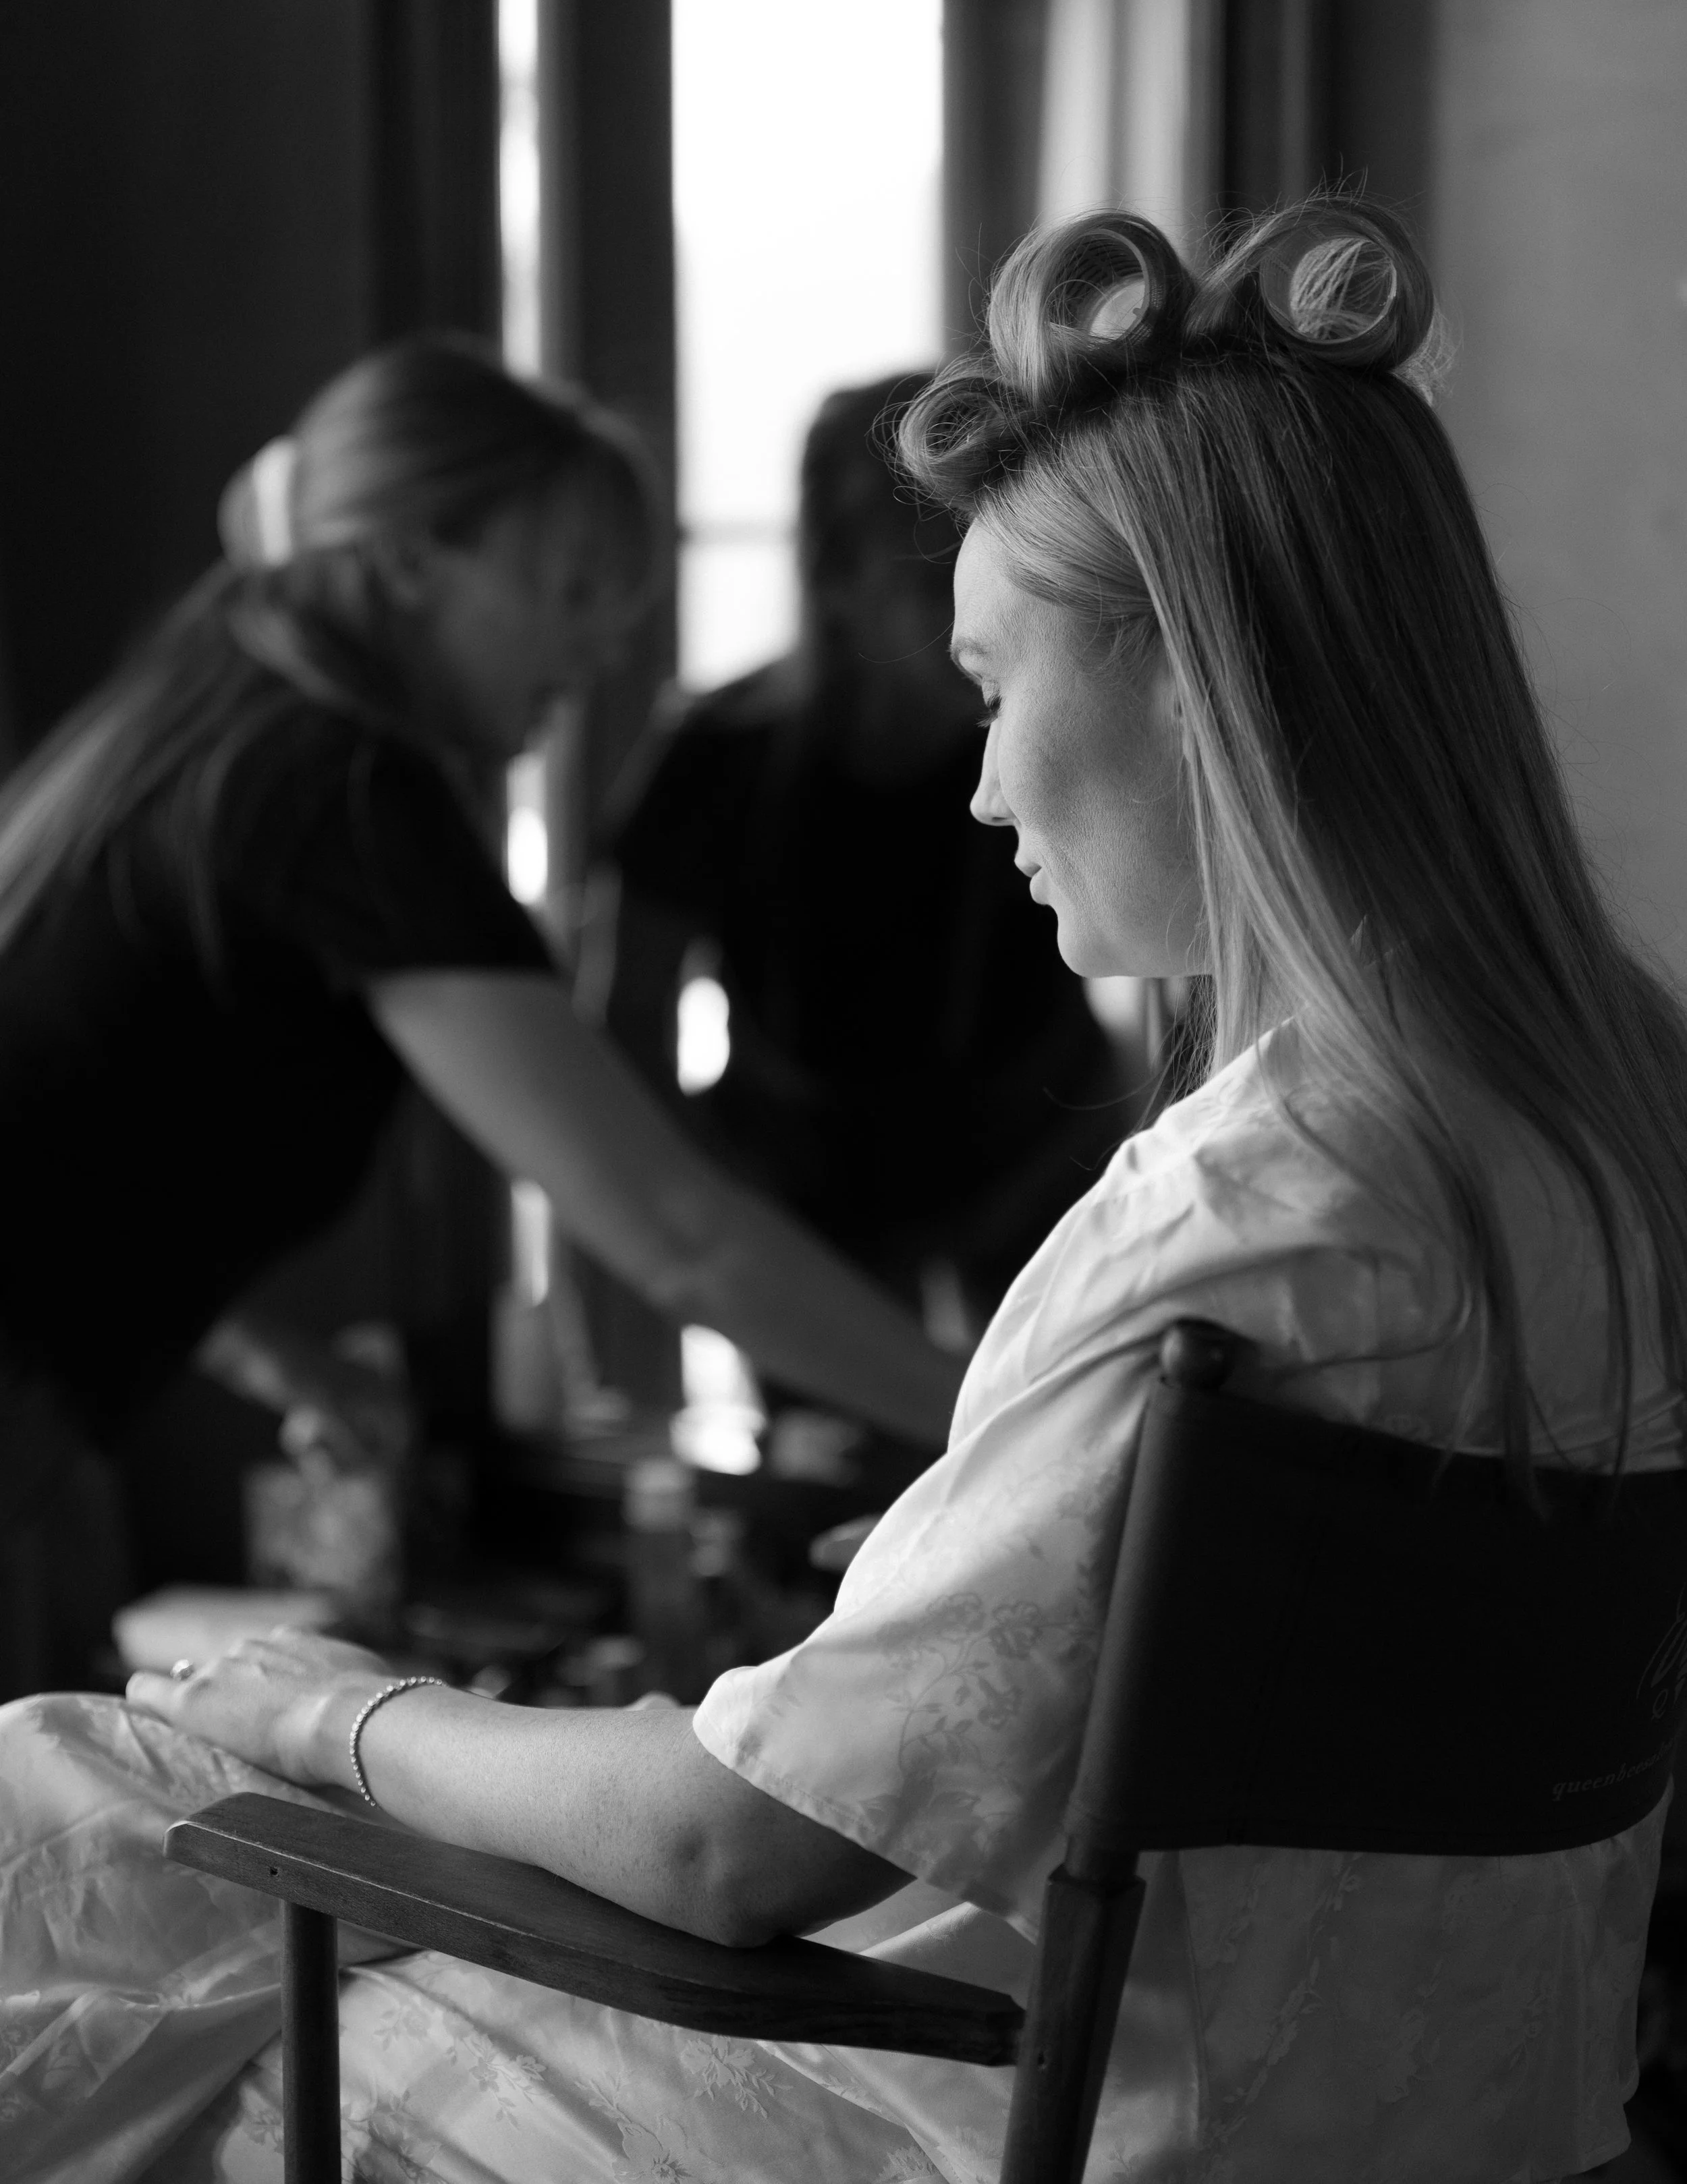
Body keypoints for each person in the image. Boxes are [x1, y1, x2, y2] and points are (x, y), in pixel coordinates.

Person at [4, 196, 1686, 2184]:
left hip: (1076, 2125)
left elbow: (723, 1842)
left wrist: (343, 1711)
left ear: (1196, 682)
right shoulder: (1613, 1123)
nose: (981, 788)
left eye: (995, 685)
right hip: (1470, 2117)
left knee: (79, 1806)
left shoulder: (1257, 1214)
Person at [0, 334, 958, 1690]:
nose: (603, 641)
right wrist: (990, 1412)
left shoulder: (224, 695)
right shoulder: (342, 787)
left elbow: (81, 1106)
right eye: (567, 588)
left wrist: (277, 1355)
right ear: (406, 565)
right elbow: (675, 1234)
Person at [602, 374, 1120, 1487]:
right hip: (805, 1194)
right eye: (932, 568)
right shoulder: (715, 757)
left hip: (1039, 1155)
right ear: (837, 579)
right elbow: (626, 1031)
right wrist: (712, 1218)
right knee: (841, 1502)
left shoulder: (1050, 729)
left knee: (1063, 1469)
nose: (986, 605)